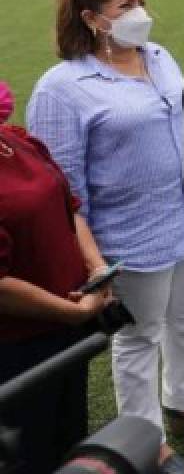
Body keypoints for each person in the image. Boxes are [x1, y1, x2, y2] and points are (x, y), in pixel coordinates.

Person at [27, 0, 184, 474]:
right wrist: (91, 260)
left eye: (141, 0)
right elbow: (61, 185)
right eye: (126, 5)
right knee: (139, 339)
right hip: (127, 238)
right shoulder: (62, 86)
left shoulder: (157, 57)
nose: (142, 12)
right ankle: (147, 440)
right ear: (93, 18)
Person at [0, 108, 112, 473]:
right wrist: (71, 311)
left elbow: (71, 210)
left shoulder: (18, 140)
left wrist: (96, 267)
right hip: (18, 347)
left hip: (68, 330)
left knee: (71, 435)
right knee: (30, 450)